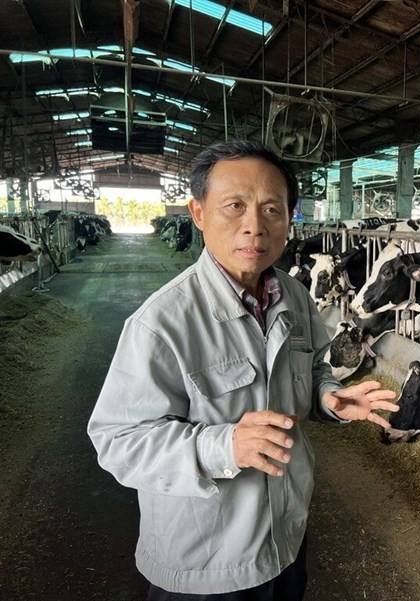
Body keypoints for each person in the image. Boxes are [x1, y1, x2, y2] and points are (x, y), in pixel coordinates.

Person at [87, 140, 399, 600]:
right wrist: (224, 445)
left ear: (290, 219)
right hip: (204, 564)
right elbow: (118, 441)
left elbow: (312, 362)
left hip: (286, 538)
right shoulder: (162, 323)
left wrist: (329, 395)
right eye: (234, 206)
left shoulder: (293, 295)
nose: (254, 226)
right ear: (198, 213)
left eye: (273, 209)